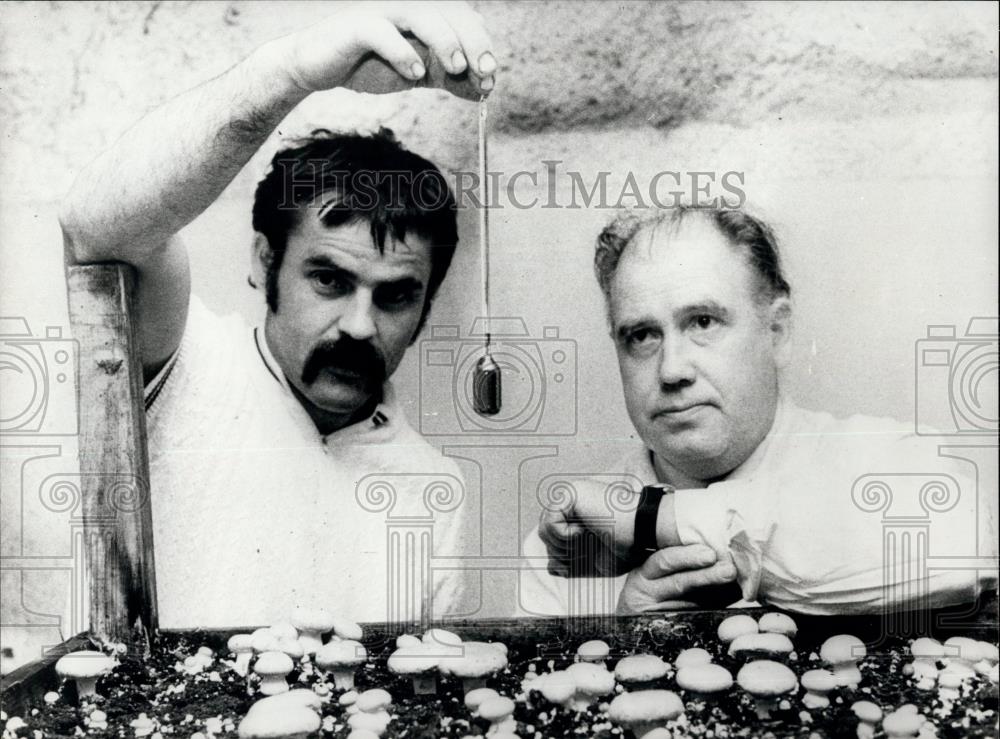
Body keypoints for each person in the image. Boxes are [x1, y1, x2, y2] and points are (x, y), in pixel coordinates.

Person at [59, 3, 496, 628]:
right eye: (329, 280)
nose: (360, 326)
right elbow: (91, 223)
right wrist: (291, 70)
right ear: (267, 262)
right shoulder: (188, 363)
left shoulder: (434, 489)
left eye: (396, 294)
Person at [522, 206, 997, 616]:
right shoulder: (569, 549)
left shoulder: (882, 457)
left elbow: (963, 548)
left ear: (777, 332)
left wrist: (652, 521)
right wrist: (626, 640)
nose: (671, 370)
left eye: (702, 322)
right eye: (642, 335)